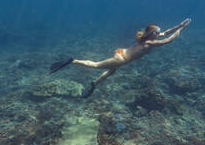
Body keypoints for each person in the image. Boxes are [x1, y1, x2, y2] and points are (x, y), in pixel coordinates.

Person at [50, 18, 191, 98]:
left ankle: (93, 86)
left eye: (159, 31)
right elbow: (169, 39)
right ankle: (71, 61)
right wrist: (181, 30)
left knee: (111, 72)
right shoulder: (149, 42)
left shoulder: (149, 37)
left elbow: (166, 32)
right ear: (153, 33)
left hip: (121, 53)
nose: (161, 32)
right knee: (96, 65)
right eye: (158, 31)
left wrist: (179, 24)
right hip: (121, 59)